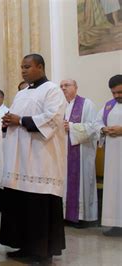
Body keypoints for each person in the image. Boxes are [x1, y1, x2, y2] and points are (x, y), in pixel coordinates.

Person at [0, 54, 67, 263]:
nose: (23, 70)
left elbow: (53, 118)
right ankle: (25, 246)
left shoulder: (53, 90)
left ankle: (43, 252)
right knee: (21, 204)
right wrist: (8, 120)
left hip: (41, 158)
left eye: (27, 66)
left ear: (40, 67)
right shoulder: (21, 93)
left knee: (39, 204)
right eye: (21, 67)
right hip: (20, 159)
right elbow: (15, 118)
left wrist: (20, 120)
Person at [60, 79, 98, 227]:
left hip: (82, 153)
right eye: (61, 86)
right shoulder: (60, 106)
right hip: (64, 153)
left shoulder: (87, 104)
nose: (63, 88)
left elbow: (94, 127)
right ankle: (65, 215)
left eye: (67, 85)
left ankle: (82, 217)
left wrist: (71, 127)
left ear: (76, 87)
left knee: (82, 183)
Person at [95, 74, 122, 237]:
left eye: (120, 92)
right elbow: (97, 123)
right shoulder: (108, 106)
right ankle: (116, 223)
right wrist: (104, 129)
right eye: (114, 93)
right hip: (113, 155)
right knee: (114, 188)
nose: (117, 96)